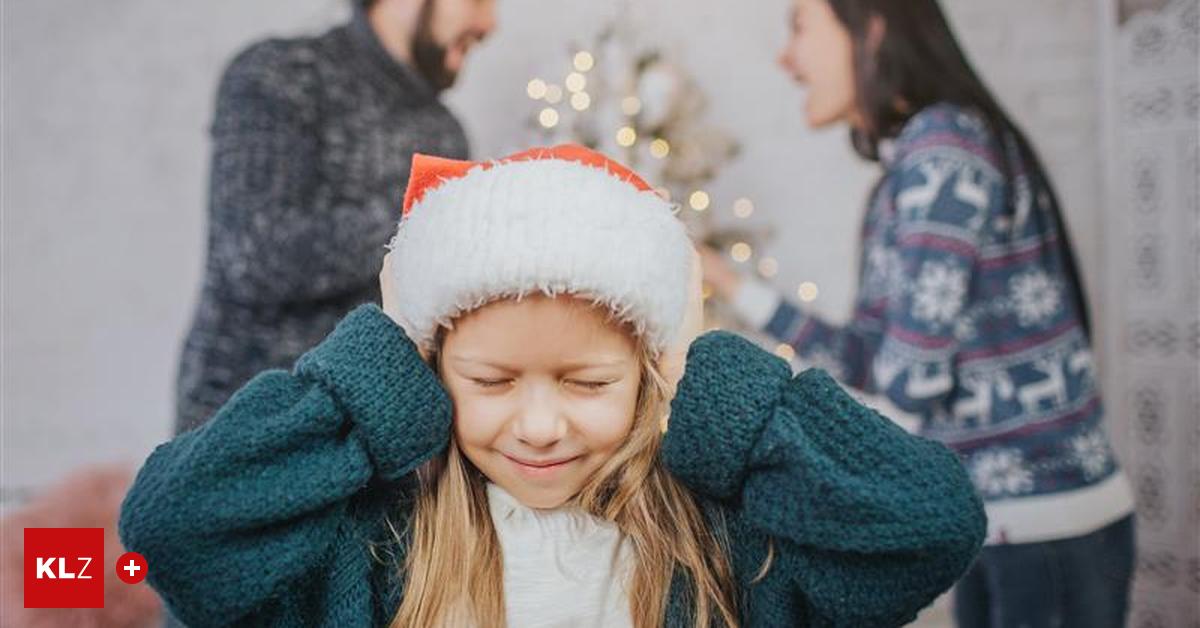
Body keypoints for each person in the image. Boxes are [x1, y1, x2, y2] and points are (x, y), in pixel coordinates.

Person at [121, 145, 986, 627]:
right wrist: (373, 371)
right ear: (426, 376)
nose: (538, 426)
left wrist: (700, 372)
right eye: (491, 380)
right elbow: (172, 531)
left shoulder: (726, 550)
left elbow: (931, 525)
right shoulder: (376, 553)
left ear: (649, 371)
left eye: (587, 381)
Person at [700, 1, 1136, 626]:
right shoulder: (907, 168)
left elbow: (910, 382)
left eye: (799, 25)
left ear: (871, 27)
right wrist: (730, 283)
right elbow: (871, 359)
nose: (785, 57)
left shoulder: (943, 151)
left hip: (1046, 525)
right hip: (1000, 527)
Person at [175, 0, 496, 434]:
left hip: (374, 437)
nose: (488, 23)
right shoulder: (280, 75)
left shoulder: (445, 130)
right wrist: (431, 209)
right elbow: (254, 255)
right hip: (246, 432)